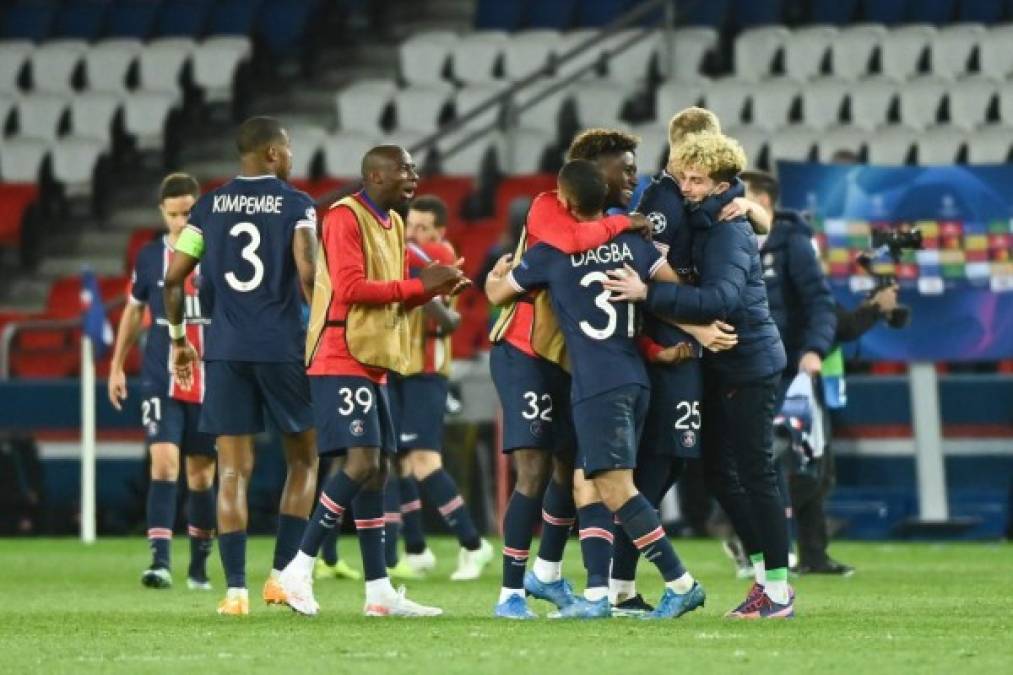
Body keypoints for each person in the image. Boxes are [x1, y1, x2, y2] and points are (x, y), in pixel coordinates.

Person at [486, 159, 706, 620]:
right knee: (591, 486)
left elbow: (499, 294)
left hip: (595, 383)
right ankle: (594, 595)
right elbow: (677, 289)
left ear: (564, 202)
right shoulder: (633, 243)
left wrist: (492, 280)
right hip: (636, 375)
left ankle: (679, 583)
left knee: (614, 488)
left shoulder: (550, 252)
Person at [604, 132, 794, 619]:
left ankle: (777, 590)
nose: (686, 187)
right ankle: (762, 579)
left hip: (747, 362)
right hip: (725, 364)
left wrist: (647, 294)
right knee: (721, 476)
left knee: (755, 473)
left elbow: (720, 302)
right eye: (682, 176)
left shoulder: (729, 229)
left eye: (697, 179)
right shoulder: (713, 215)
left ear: (721, 184)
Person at [276, 145, 466, 617]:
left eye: (414, 168)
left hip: (373, 357)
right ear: (376, 176)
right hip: (340, 353)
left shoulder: (395, 224)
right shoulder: (343, 217)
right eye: (404, 168)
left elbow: (391, 298)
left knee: (379, 468)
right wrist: (423, 284)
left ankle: (378, 590)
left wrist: (433, 290)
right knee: (360, 463)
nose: (414, 175)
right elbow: (351, 288)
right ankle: (296, 568)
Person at [164, 117, 321, 616]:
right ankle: (280, 577)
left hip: (225, 349)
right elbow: (309, 274)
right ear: (273, 153)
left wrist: (178, 341)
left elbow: (173, 281)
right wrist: (321, 336)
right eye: (289, 148)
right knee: (305, 459)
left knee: (231, 470)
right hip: (282, 347)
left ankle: (234, 591)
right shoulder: (297, 205)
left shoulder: (207, 207)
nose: (292, 157)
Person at [108, 173, 217, 591]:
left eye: (188, 212)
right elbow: (135, 312)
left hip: (210, 380)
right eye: (173, 214)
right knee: (164, 462)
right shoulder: (150, 256)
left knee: (202, 475)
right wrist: (118, 365)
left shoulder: (218, 254)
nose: (181, 221)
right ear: (162, 213)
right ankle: (160, 562)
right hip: (161, 375)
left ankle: (199, 566)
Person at [386, 195, 494, 580]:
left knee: (425, 462)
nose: (414, 232)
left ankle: (473, 544)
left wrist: (412, 275)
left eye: (422, 228)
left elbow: (445, 318)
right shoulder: (409, 255)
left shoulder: (440, 256)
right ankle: (415, 551)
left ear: (440, 232)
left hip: (426, 371)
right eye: (410, 225)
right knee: (396, 462)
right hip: (397, 367)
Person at [740, 170, 838, 575]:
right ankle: (761, 549)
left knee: (806, 459)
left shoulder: (792, 244)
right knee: (754, 461)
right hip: (745, 368)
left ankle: (810, 553)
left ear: (761, 201)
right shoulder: (728, 239)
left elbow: (820, 303)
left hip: (789, 372)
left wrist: (814, 350)